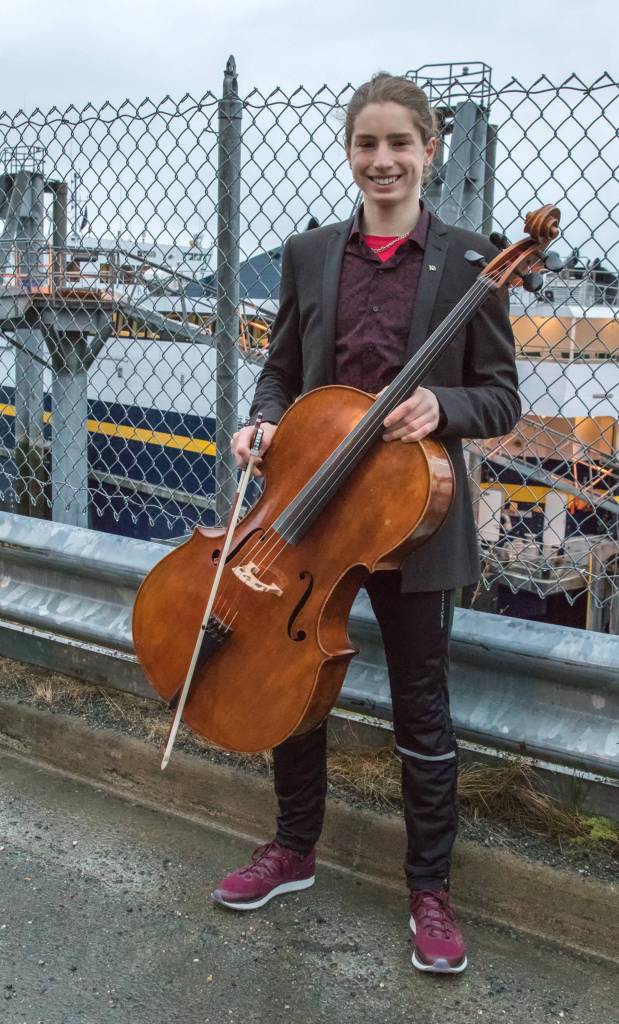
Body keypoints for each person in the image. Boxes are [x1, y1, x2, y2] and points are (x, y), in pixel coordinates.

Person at [212, 72, 521, 975]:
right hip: (310, 518)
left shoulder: (471, 263)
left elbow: (499, 399)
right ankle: (291, 850)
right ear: (350, 151)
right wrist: (262, 421)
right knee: (289, 686)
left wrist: (442, 408)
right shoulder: (309, 254)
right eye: (366, 144)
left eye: (399, 144)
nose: (381, 160)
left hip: (413, 522)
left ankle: (429, 891)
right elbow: (280, 371)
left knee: (421, 711)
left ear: (430, 150)